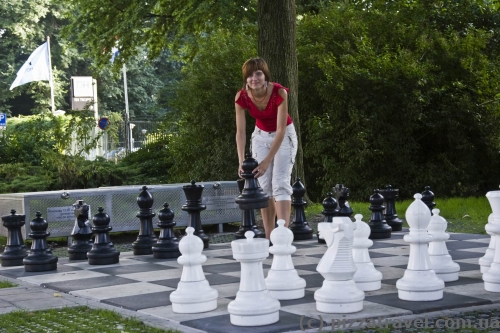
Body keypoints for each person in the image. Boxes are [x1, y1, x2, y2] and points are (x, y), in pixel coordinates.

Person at [235, 57, 298, 239]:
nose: (254, 78)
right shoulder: (241, 97)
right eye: (250, 75)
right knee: (264, 186)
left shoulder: (279, 93)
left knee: (280, 183)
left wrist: (266, 161)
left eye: (258, 73)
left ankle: (283, 236)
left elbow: (280, 130)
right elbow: (240, 133)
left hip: (284, 135)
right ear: (245, 79)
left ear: (265, 75)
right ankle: (270, 237)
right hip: (260, 137)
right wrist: (241, 162)